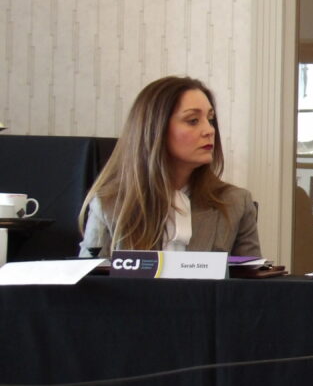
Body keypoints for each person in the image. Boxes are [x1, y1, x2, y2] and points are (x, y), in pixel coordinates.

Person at [79, 76, 261, 257]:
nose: (209, 130)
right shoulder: (109, 203)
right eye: (193, 120)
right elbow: (89, 282)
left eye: (210, 119)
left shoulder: (236, 203)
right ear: (155, 129)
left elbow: (250, 285)